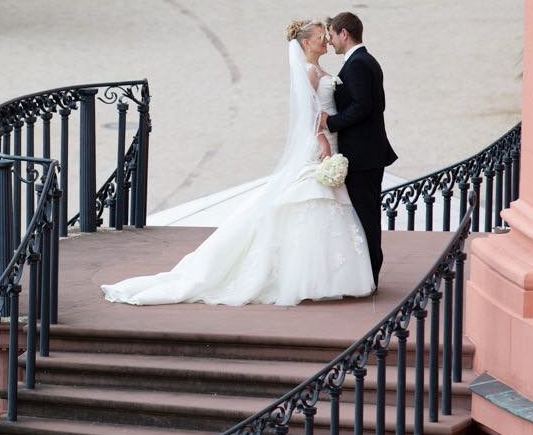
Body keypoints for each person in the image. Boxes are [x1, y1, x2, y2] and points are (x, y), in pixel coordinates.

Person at [102, 19, 374, 306]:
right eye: (321, 36)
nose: (326, 41)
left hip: (329, 139)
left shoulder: (317, 69)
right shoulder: (309, 71)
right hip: (319, 143)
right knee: (309, 202)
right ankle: (308, 278)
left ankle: (324, 277)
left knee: (319, 203)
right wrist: (320, 139)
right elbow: (308, 112)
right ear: (306, 43)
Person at [324, 11, 398, 281]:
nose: (330, 40)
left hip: (363, 155)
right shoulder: (365, 61)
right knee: (365, 214)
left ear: (344, 33)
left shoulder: (357, 64)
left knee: (365, 215)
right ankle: (366, 273)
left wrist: (331, 123)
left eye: (332, 34)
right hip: (368, 153)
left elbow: (362, 106)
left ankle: (370, 274)